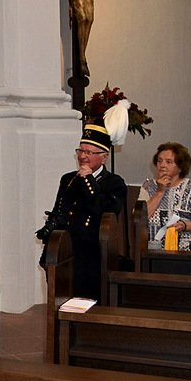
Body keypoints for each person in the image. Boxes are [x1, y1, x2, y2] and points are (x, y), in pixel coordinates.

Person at [37, 123, 126, 300]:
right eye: (80, 151)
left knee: (86, 303)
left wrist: (88, 180)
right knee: (59, 302)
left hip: (92, 257)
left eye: (89, 152)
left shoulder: (115, 183)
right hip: (63, 252)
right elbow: (59, 210)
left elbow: (104, 210)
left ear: (104, 157)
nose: (83, 156)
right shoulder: (68, 179)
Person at [138, 142, 191, 251]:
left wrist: (186, 225)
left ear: (180, 167)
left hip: (189, 252)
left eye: (168, 162)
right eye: (159, 161)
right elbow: (139, 220)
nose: (162, 165)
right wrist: (160, 192)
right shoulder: (148, 187)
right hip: (154, 251)